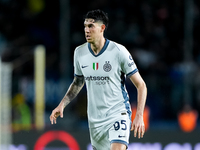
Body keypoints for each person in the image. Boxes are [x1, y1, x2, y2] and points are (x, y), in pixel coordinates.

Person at [50, 9, 147, 150]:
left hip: (118, 113)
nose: (86, 30)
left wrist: (139, 116)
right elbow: (78, 82)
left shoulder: (119, 52)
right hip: (95, 120)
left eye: (91, 26)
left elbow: (141, 85)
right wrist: (62, 104)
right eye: (85, 26)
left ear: (102, 28)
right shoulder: (79, 52)